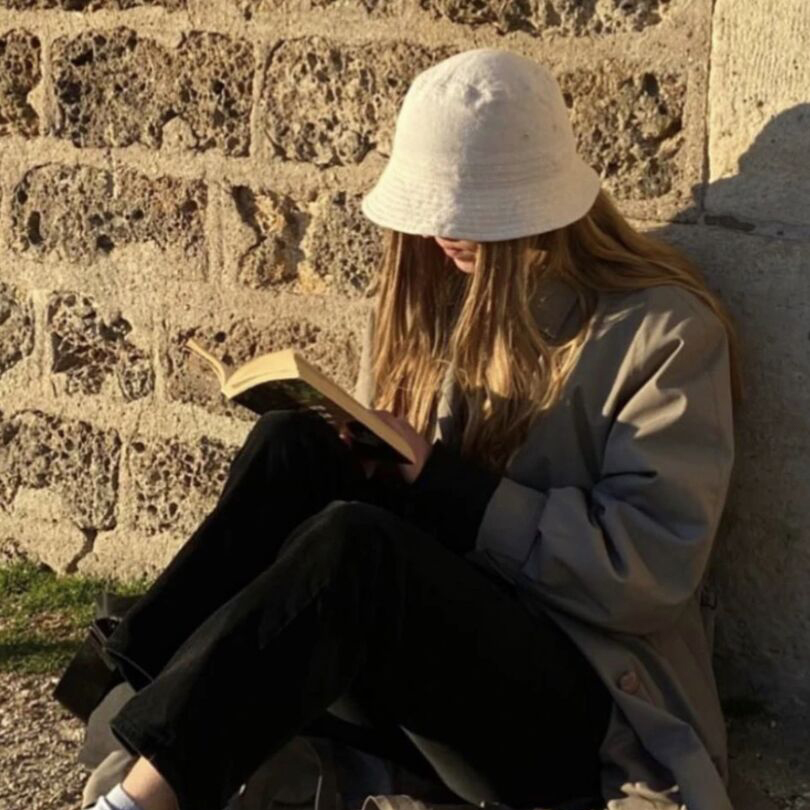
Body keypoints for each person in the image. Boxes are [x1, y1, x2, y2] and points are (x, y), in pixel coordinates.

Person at [86, 48, 740, 810]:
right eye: (433, 215)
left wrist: (450, 487)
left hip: (579, 712)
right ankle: (131, 691)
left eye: (467, 218)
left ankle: (138, 800)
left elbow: (649, 573)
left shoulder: (665, 333)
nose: (441, 239)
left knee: (356, 550)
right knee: (292, 448)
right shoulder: (436, 302)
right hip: (429, 670)